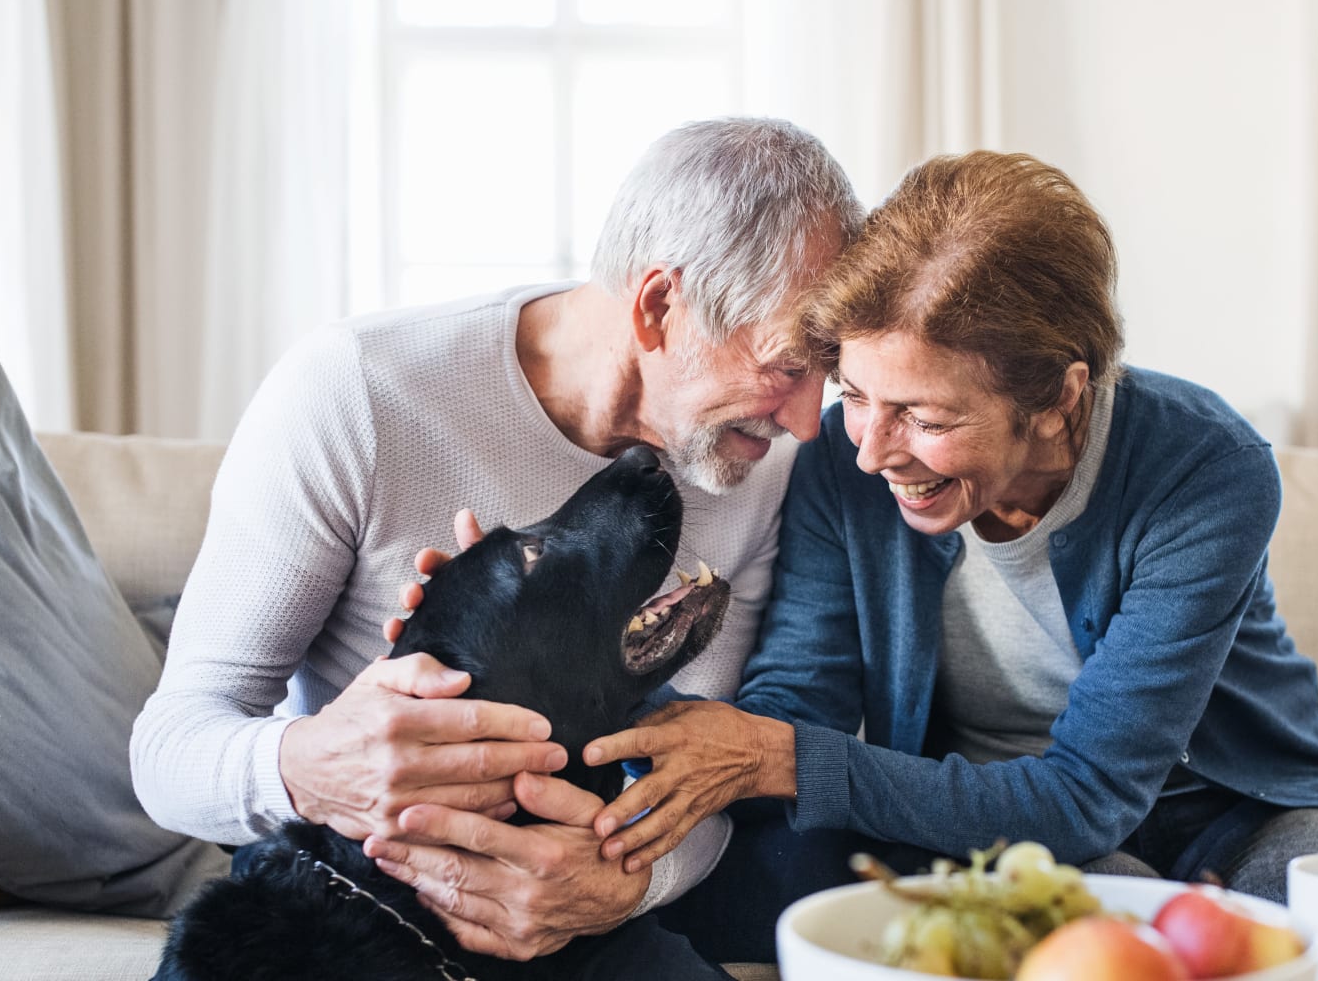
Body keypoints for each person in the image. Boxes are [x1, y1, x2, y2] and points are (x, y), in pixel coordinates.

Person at [577, 150, 1318, 962]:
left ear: (1058, 398)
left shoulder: (1205, 467)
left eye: (926, 418)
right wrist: (593, 697)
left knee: (1305, 937)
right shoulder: (839, 461)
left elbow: (1086, 795)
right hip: (1001, 828)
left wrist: (779, 757)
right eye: (857, 395)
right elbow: (797, 707)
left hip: (1253, 806)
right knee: (1073, 937)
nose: (874, 453)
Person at [129, 117, 864, 977]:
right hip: (353, 902)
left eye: (829, 370)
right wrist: (314, 764)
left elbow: (703, 774)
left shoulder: (756, 462)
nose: (810, 422)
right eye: (786, 367)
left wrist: (626, 880)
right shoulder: (358, 391)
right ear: (659, 305)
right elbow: (169, 752)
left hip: (588, 920)